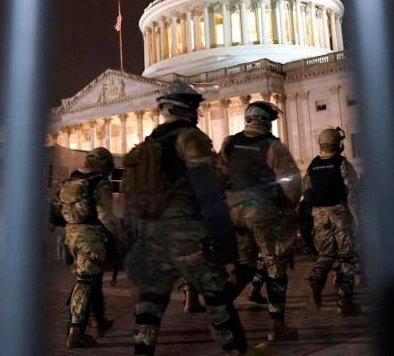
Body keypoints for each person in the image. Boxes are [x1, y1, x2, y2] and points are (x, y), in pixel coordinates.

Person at [123, 84, 266, 356]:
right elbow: (210, 194)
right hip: (185, 233)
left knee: (150, 301)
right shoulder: (190, 139)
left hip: (153, 233)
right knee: (217, 294)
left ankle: (142, 351)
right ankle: (236, 351)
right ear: (190, 108)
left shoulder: (150, 143)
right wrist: (227, 251)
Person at [219, 101, 302, 341]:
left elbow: (219, 173)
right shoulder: (273, 146)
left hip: (234, 211)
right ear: (266, 121)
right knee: (275, 267)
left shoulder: (230, 142)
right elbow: (292, 184)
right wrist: (288, 208)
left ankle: (221, 306)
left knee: (244, 265)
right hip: (264, 212)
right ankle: (277, 327)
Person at [51, 147, 117, 348]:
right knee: (86, 281)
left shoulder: (69, 181)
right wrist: (119, 235)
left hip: (70, 236)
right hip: (91, 238)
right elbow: (106, 217)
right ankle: (76, 332)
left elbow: (55, 212)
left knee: (93, 279)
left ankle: (100, 322)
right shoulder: (100, 183)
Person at [304, 127, 361, 315]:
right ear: (339, 143)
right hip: (340, 213)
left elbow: (307, 190)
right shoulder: (342, 163)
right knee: (347, 256)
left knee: (325, 255)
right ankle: (345, 302)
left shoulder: (312, 166)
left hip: (319, 216)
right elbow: (353, 192)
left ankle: (315, 283)